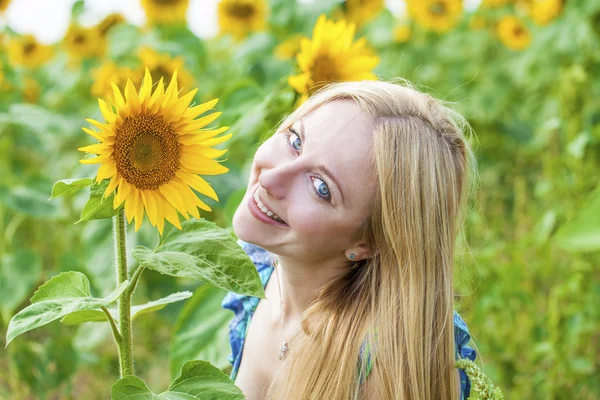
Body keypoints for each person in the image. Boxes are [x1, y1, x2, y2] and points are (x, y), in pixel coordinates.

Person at [222, 79, 479, 400]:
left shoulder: (379, 372)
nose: (271, 178)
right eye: (295, 141)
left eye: (321, 188)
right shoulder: (259, 272)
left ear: (367, 243)